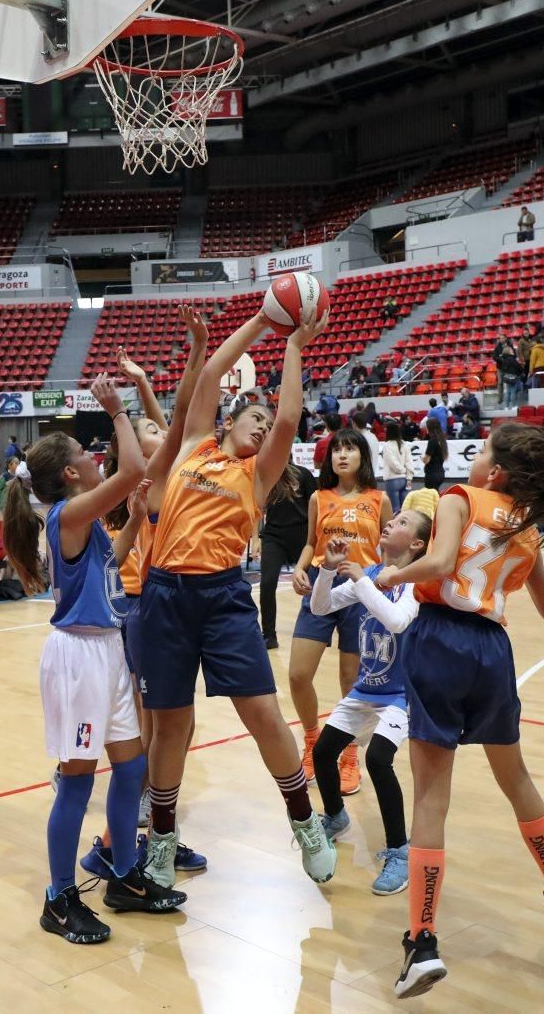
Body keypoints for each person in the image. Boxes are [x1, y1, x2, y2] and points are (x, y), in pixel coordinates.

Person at [375, 411, 544, 998]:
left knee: (431, 794)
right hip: (493, 652)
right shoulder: (527, 528)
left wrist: (386, 576)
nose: (470, 462)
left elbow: (442, 564)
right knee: (515, 777)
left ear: (495, 470)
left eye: (480, 455)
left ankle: (422, 942)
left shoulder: (459, 498)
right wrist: (526, 560)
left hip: (441, 640)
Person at [139, 304, 338, 889]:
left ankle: (304, 823)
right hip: (165, 595)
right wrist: (259, 319)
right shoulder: (194, 445)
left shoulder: (258, 475)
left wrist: (294, 345)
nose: (260, 424)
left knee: (263, 715)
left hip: (224, 598)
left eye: (263, 419)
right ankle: (162, 840)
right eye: (251, 414)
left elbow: (290, 419)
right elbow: (205, 380)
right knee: (170, 726)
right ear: (227, 420)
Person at [3, 376, 188, 946]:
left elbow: (117, 562)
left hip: (105, 649)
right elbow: (135, 467)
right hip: (78, 655)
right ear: (71, 475)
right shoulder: (65, 515)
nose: (94, 457)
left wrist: (133, 519)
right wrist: (115, 412)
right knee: (78, 782)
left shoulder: (86, 524)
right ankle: (59, 899)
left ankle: (123, 878)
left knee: (130, 768)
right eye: (85, 455)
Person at [77, 318, 208, 875]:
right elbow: (176, 424)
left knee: (164, 729)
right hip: (138, 608)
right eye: (148, 436)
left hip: (138, 608)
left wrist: (143, 388)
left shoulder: (146, 475)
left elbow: (168, 424)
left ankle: (146, 830)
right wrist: (197, 351)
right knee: (156, 731)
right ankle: (126, 840)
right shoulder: (148, 478)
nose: (160, 436)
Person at [310, 512, 432, 894]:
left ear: (416, 544)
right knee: (323, 751)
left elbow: (396, 621)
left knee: (378, 759)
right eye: (392, 519)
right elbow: (320, 607)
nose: (390, 523)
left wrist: (362, 580)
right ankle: (335, 816)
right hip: (366, 689)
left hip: (402, 694)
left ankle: (399, 849)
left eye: (402, 522)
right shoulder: (374, 572)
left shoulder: (419, 582)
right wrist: (329, 571)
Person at [290, 430, 392, 795]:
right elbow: (309, 543)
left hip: (361, 591)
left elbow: (390, 550)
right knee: (299, 674)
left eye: (349, 449)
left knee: (352, 683)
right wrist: (300, 568)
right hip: (323, 580)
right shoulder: (319, 497)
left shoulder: (379, 500)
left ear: (363, 456)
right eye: (336, 449)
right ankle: (313, 740)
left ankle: (349, 753)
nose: (342, 455)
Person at [259, 460, 317, 650]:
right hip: (273, 535)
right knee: (267, 582)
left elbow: (317, 506)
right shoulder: (264, 473)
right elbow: (256, 507)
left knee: (315, 582)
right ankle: (268, 635)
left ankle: (317, 629)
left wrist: (316, 536)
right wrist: (254, 539)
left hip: (302, 534)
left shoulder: (303, 474)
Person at [382, 422, 414, 514]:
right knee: (405, 508)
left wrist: (402, 470)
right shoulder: (405, 444)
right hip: (405, 480)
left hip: (392, 480)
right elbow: (409, 462)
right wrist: (408, 476)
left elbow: (393, 463)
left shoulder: (387, 445)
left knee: (394, 509)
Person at [421, 418, 448, 490]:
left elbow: (426, 460)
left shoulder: (432, 441)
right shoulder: (442, 440)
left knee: (429, 497)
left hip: (432, 474)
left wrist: (422, 458)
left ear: (429, 428)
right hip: (440, 473)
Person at [352, 410, 380, 476]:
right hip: (372, 474)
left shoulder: (360, 439)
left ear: (354, 424)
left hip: (363, 476)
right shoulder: (373, 436)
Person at [492, 331, 513, 406]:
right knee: (500, 383)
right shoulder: (497, 347)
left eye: (502, 338)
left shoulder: (510, 345)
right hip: (500, 368)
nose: (501, 339)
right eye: (500, 338)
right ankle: (500, 399)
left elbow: (513, 355)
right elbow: (494, 357)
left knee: (509, 383)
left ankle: (509, 398)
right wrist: (500, 359)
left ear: (505, 338)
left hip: (508, 368)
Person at [499, 344, 522, 409]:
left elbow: (502, 368)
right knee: (513, 392)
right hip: (513, 377)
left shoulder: (504, 359)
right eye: (511, 350)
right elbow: (518, 367)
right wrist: (521, 372)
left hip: (506, 376)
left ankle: (506, 406)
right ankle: (513, 406)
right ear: (509, 351)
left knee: (508, 392)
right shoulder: (512, 359)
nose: (513, 351)